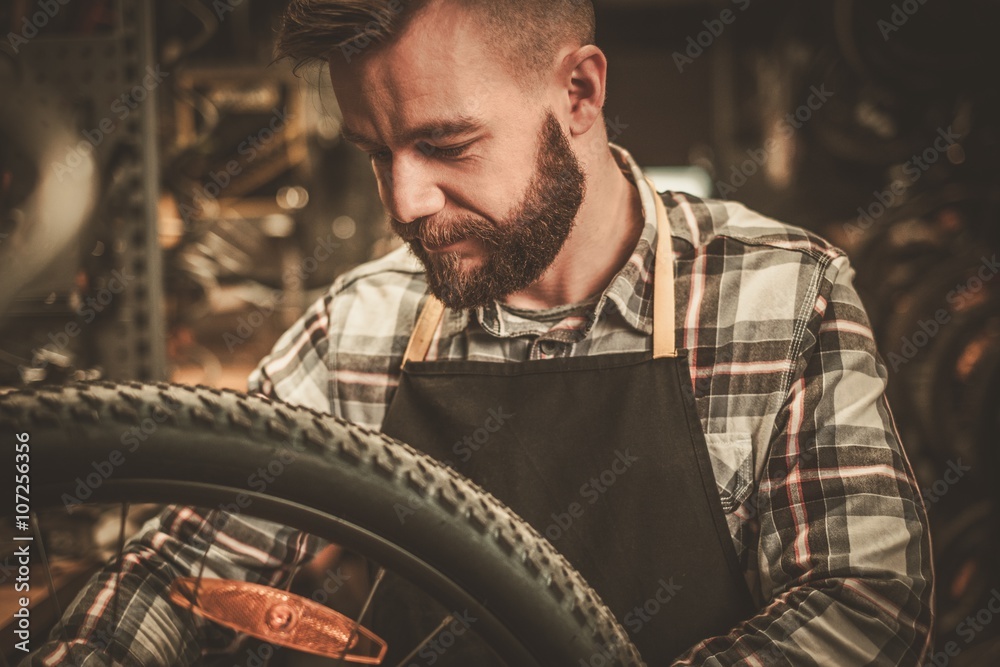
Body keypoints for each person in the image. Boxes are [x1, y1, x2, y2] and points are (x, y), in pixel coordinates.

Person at [26, 0, 933, 664]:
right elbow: (183, 565)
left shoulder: (779, 294)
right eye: (376, 152)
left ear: (578, 92)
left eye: (446, 144)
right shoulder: (361, 327)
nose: (405, 202)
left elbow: (866, 600)